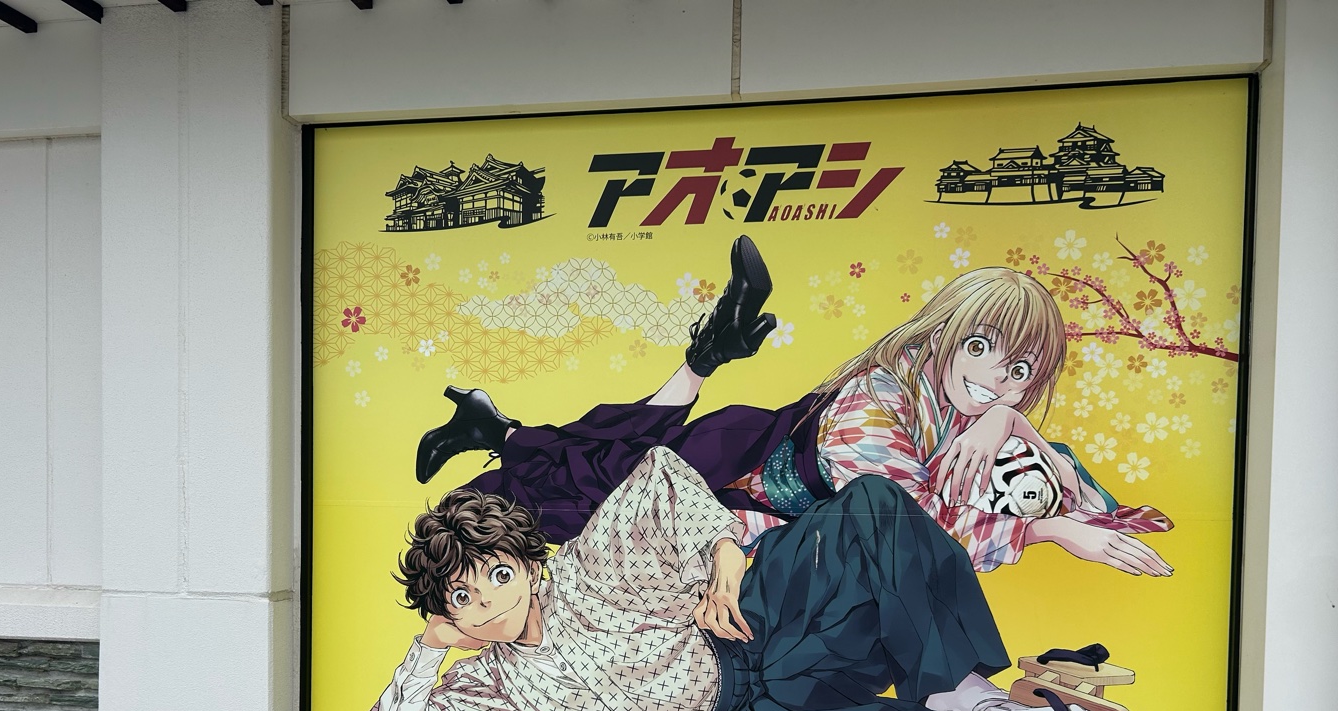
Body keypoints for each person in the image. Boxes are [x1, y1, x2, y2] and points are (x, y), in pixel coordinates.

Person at [314, 447, 1105, 711]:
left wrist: (725, 555)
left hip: (764, 626)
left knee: (872, 507)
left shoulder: (587, 570)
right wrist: (426, 653)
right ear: (449, 614)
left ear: (523, 561)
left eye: (496, 573)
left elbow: (660, 478)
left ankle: (966, 693)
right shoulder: (493, 690)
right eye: (463, 595)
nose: (488, 599)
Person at [416, 239, 1172, 576]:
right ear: (943, 336)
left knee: (607, 471)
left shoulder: (975, 415)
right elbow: (909, 525)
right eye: (979, 346)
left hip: (739, 493)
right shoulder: (877, 401)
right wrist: (1041, 529)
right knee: (590, 496)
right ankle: (502, 432)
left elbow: (1056, 471)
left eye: (1019, 368)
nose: (994, 378)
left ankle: (495, 425)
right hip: (732, 469)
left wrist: (1010, 420)